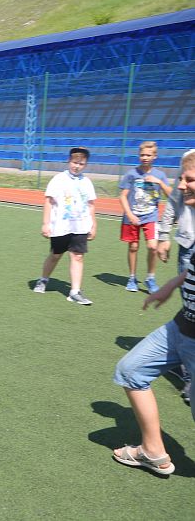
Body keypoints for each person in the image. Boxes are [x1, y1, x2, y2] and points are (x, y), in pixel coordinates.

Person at [111, 151, 195, 476]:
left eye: (189, 179)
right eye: (182, 178)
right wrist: (171, 285)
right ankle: (153, 452)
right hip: (180, 327)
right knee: (132, 369)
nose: (182, 185)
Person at [33, 147, 97, 305]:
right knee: (55, 255)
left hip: (81, 226)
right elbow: (48, 201)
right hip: (61, 225)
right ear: (69, 161)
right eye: (75, 162)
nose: (77, 166)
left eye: (81, 163)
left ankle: (75, 292)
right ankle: (43, 279)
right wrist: (46, 223)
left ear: (86, 165)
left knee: (78, 256)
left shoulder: (87, 182)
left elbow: (91, 204)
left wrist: (93, 224)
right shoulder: (59, 179)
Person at [156, 149, 195, 405]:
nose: (181, 185)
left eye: (187, 180)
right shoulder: (183, 188)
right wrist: (163, 236)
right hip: (187, 247)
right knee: (190, 307)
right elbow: (171, 207)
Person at [119, 141, 172, 293]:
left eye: (148, 155)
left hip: (151, 215)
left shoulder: (160, 175)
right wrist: (129, 214)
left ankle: (150, 278)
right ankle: (132, 277)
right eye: (142, 155)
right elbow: (122, 196)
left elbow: (171, 196)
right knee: (134, 247)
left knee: (153, 246)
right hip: (132, 216)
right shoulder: (131, 174)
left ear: (155, 156)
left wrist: (160, 183)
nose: (145, 157)